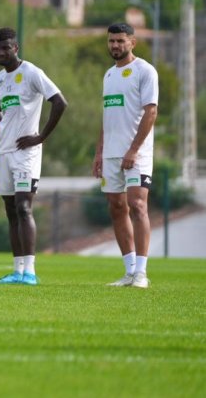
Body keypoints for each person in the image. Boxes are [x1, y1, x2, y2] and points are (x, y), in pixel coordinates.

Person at [0, 27, 67, 285]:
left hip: (26, 153)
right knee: (10, 210)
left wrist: (40, 137)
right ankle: (17, 270)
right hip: (3, 151)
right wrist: (1, 129)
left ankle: (31, 272)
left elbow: (59, 102)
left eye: (6, 47)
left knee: (24, 207)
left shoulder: (32, 73)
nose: (2, 52)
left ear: (16, 47)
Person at [92, 23, 158, 289]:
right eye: (111, 41)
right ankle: (129, 271)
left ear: (133, 42)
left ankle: (142, 272)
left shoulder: (145, 71)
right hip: (111, 155)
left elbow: (150, 112)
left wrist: (133, 150)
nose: (115, 46)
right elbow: (107, 116)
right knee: (116, 208)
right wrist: (99, 152)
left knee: (138, 205)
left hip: (137, 153)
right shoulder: (108, 75)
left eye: (120, 41)